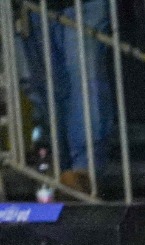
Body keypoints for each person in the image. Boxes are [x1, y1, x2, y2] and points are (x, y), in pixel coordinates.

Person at [22, 0, 113, 195]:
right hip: (34, 8)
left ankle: (85, 169)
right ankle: (64, 166)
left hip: (85, 5)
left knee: (85, 79)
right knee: (49, 89)